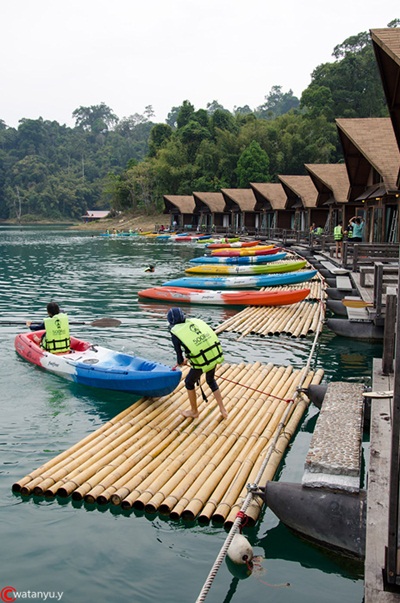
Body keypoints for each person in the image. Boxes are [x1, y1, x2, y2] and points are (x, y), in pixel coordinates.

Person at [167, 307, 228, 419]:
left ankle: (194, 411)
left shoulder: (176, 334)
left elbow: (179, 359)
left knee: (189, 382)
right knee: (210, 380)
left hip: (201, 362)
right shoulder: (194, 323)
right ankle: (222, 409)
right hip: (212, 356)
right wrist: (188, 358)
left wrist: (182, 362)